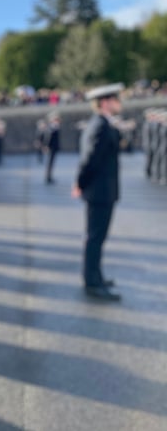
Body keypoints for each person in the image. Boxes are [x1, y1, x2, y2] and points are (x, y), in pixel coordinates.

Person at [72, 83, 124, 301]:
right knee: (95, 238)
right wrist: (80, 183)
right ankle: (92, 282)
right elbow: (90, 159)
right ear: (105, 102)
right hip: (99, 191)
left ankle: (96, 276)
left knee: (98, 238)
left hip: (103, 190)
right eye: (115, 100)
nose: (119, 103)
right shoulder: (100, 126)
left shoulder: (103, 124)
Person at [44, 112, 61, 184]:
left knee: (51, 163)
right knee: (50, 163)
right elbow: (48, 138)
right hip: (51, 148)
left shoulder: (54, 127)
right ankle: (48, 177)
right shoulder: (52, 127)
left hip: (53, 147)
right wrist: (47, 146)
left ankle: (49, 177)